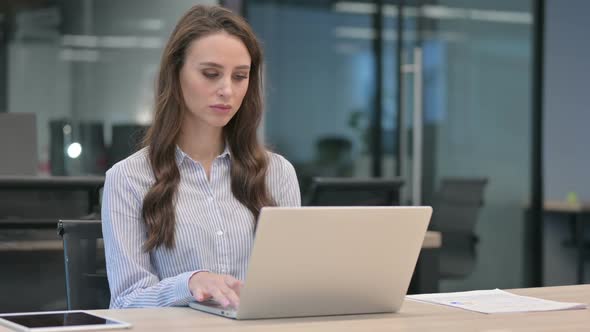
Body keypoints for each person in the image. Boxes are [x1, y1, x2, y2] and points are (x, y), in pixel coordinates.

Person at [101, 4, 301, 309]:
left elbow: (292, 285)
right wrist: (190, 282)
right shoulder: (129, 178)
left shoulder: (278, 173)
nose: (227, 90)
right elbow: (127, 300)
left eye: (240, 76)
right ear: (176, 73)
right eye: (211, 74)